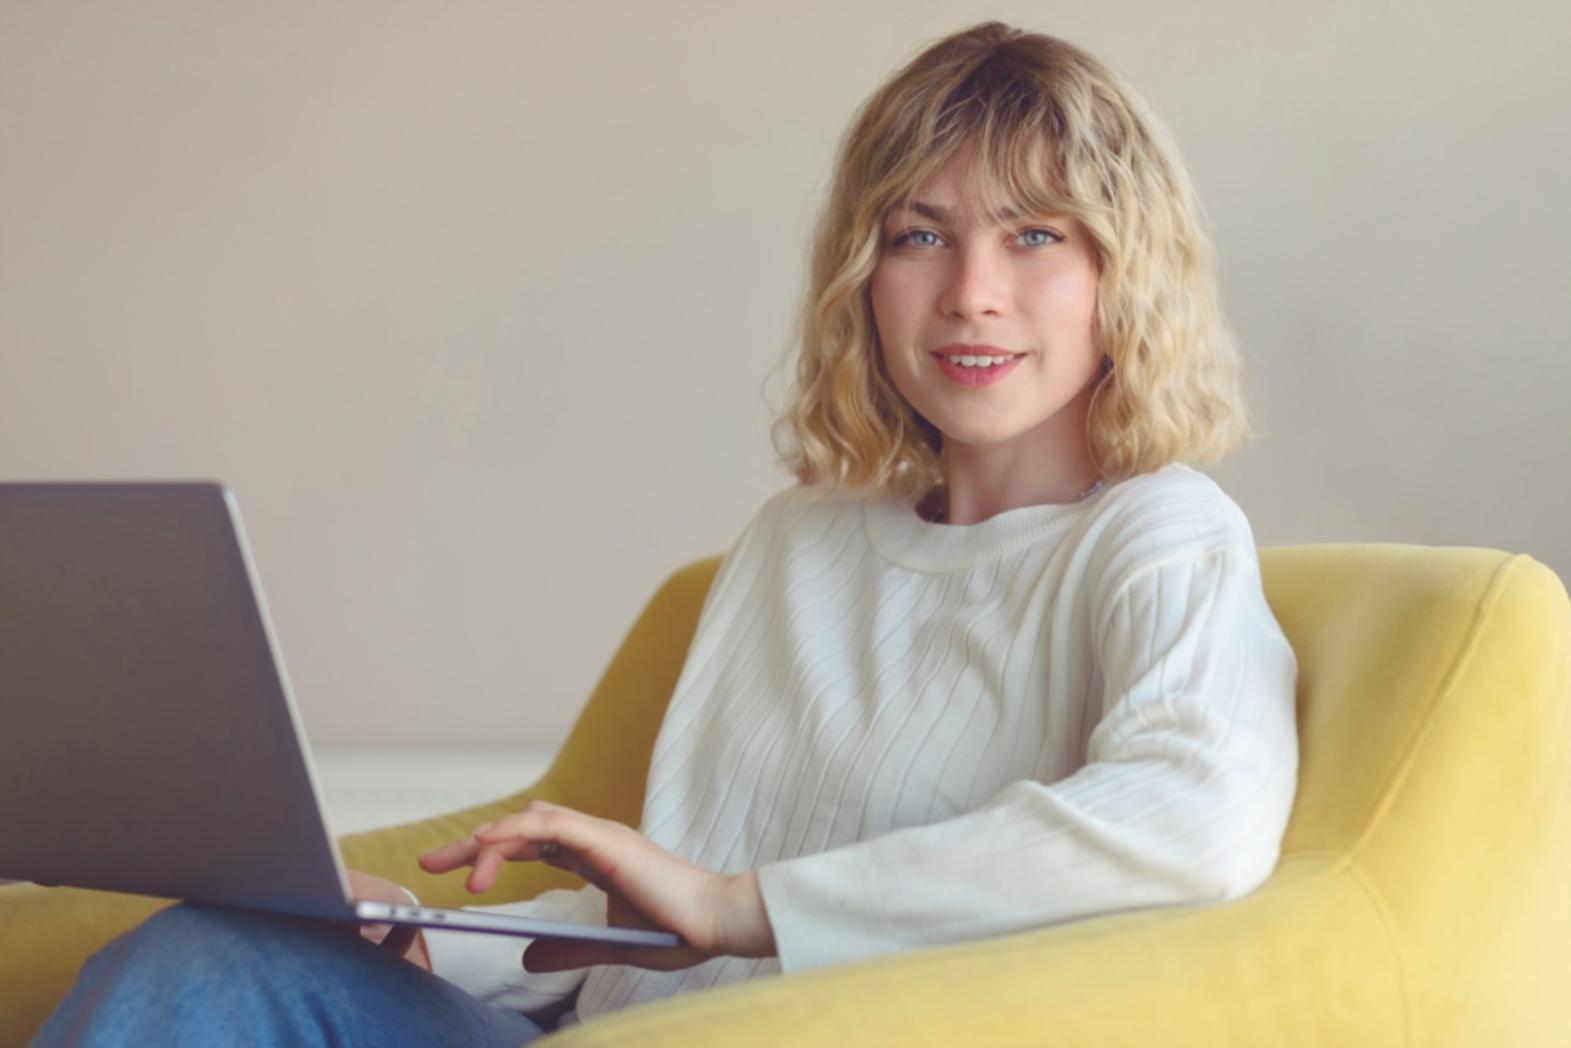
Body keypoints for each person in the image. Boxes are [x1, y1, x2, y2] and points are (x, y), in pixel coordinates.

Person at [34, 19, 1299, 1045]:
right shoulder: (794, 546)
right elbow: (652, 956)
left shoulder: (1158, 537)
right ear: (864, 273)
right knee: (208, 960)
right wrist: (428, 942)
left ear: (1122, 272)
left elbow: (1194, 816)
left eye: (1033, 236)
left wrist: (735, 906)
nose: (972, 289)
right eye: (920, 234)